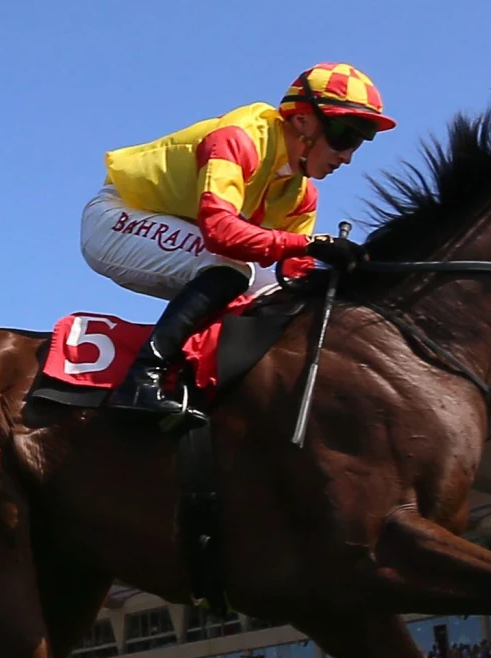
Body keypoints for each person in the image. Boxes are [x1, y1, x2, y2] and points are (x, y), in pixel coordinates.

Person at [83, 63, 392, 423]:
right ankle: (141, 379)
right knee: (231, 268)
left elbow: (293, 277)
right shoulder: (239, 138)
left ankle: (203, 380)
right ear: (303, 121)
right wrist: (308, 244)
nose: (348, 156)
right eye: (344, 136)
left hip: (184, 234)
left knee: (276, 295)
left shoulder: (301, 195)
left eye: (360, 141)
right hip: (117, 218)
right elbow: (221, 234)